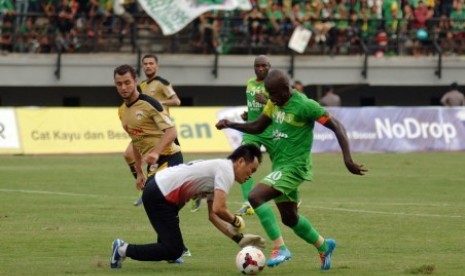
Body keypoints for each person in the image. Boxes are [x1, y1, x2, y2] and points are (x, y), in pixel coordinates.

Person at [216, 69, 367, 270]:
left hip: (295, 167)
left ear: (286, 89)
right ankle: (324, 246)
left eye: (274, 94)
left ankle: (280, 248)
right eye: (269, 94)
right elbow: (258, 127)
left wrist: (347, 158)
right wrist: (232, 124)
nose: (270, 98)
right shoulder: (274, 103)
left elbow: (337, 126)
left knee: (255, 196)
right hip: (280, 165)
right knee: (290, 218)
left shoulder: (305, 106)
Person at [110, 144, 267, 269]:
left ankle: (163, 250)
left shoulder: (219, 169)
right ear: (240, 162)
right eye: (251, 169)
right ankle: (123, 249)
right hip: (160, 194)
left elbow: (213, 215)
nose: (250, 175)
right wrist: (236, 221)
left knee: (171, 246)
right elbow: (220, 209)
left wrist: (239, 239)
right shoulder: (226, 170)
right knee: (174, 250)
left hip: (160, 191)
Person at [114, 64, 189, 263]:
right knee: (162, 204)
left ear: (136, 81)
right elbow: (137, 142)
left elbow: (172, 132)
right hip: (153, 165)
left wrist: (156, 152)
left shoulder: (150, 103)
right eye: (119, 84)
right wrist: (139, 171)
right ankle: (172, 247)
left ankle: (172, 247)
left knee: (159, 201)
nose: (124, 87)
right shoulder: (122, 112)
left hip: (171, 157)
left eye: (127, 82)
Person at [122, 54, 183, 207]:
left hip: (162, 129)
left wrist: (158, 102)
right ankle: (143, 186)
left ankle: (191, 187)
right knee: (129, 154)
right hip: (143, 129)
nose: (148, 66)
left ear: (157, 66)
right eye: (145, 64)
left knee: (169, 172)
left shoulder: (162, 83)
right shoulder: (141, 85)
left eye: (151, 63)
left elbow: (177, 101)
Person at [235, 55, 275, 216]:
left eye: (264, 65)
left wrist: (266, 102)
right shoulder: (250, 83)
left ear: (269, 66)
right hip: (252, 129)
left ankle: (292, 196)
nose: (260, 69)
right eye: (257, 66)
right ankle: (248, 202)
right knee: (244, 161)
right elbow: (253, 105)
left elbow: (283, 106)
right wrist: (248, 113)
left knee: (282, 166)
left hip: (271, 129)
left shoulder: (274, 84)